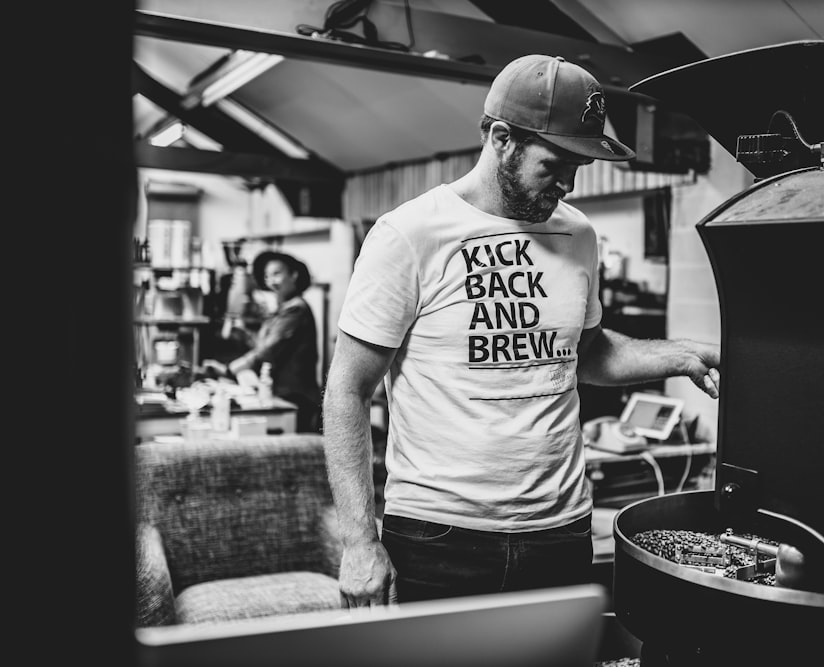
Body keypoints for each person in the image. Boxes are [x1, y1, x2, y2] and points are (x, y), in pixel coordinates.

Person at [322, 54, 721, 607]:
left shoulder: (577, 234)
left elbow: (583, 354)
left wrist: (682, 355)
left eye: (578, 168)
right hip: (439, 535)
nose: (568, 185)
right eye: (554, 165)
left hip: (561, 529)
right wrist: (359, 540)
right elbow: (347, 390)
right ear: (502, 139)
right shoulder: (409, 235)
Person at [227, 250, 322, 433]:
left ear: (293, 275)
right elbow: (263, 345)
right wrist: (244, 332)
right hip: (281, 395)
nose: (271, 281)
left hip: (295, 398)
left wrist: (231, 369)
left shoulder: (296, 309)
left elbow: (268, 350)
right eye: (267, 276)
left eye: (277, 274)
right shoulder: (281, 310)